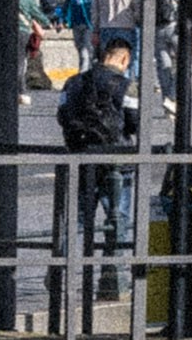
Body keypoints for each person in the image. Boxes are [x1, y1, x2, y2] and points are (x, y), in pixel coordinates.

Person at [59, 32, 141, 258]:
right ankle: (112, 277)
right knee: (118, 221)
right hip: (117, 162)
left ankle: (60, 268)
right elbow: (134, 122)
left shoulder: (73, 82)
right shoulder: (127, 86)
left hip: (81, 159)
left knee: (76, 220)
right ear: (125, 59)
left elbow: (62, 114)